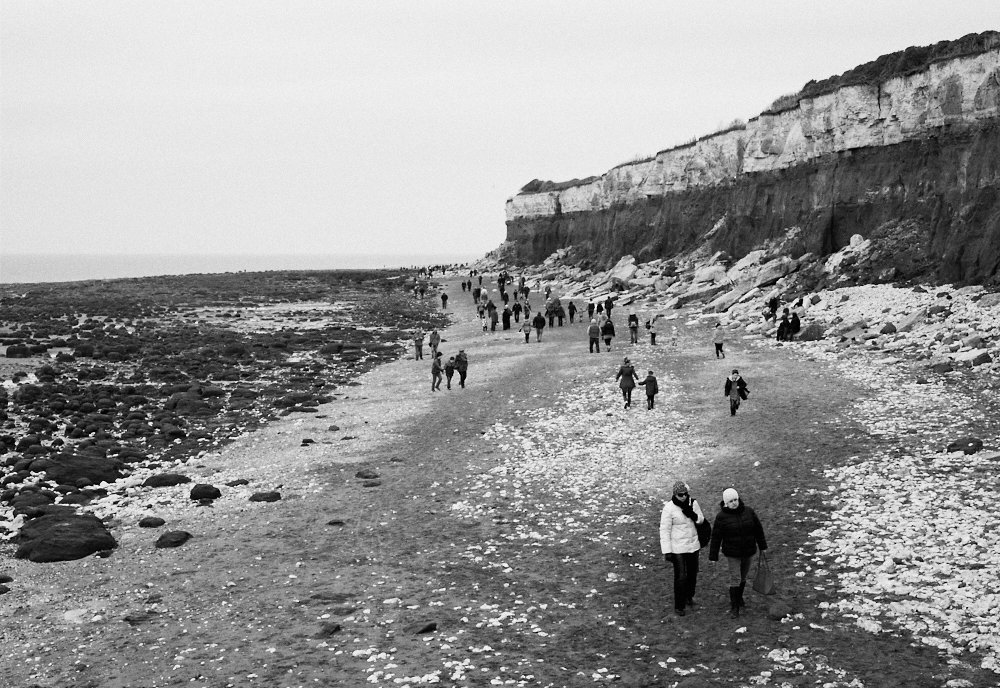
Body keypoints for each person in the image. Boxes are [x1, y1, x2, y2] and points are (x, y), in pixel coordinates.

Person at [708, 488, 767, 617]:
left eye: (735, 500)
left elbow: (758, 529)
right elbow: (716, 537)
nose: (734, 503)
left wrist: (762, 546)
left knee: (743, 577)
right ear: (725, 503)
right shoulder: (721, 517)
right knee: (735, 577)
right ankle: (734, 607)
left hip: (748, 550)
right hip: (732, 553)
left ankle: (739, 598)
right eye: (731, 501)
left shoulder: (749, 512)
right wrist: (713, 555)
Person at [660, 481, 707, 617]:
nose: (684, 497)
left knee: (692, 574)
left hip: (693, 545)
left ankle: (689, 597)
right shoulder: (669, 508)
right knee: (680, 577)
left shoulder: (693, 503)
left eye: (685, 494)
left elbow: (701, 520)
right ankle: (679, 605)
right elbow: (665, 530)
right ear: (675, 494)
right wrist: (667, 551)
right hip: (677, 549)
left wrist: (692, 514)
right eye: (681, 495)